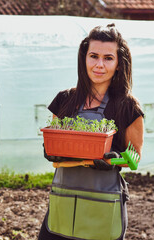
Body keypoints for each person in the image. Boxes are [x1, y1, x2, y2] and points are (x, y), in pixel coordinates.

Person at [38, 23, 144, 240]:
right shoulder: (64, 100)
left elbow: (134, 159)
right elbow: (54, 141)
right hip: (64, 199)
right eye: (93, 56)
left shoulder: (128, 107)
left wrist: (112, 160)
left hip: (102, 203)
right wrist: (50, 151)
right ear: (84, 58)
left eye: (108, 58)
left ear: (118, 64)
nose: (99, 65)